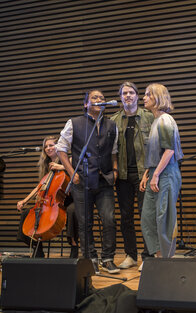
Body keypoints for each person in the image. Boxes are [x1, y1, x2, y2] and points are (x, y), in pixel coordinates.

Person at [57, 89, 120, 274]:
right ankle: (90, 259)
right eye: (95, 98)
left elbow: (114, 151)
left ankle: (108, 258)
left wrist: (115, 170)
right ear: (86, 104)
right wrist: (71, 172)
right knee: (85, 223)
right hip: (82, 180)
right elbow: (61, 149)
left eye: (102, 98)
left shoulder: (111, 125)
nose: (100, 100)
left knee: (109, 220)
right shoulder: (74, 123)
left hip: (105, 180)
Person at [110, 82, 154, 269]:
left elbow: (155, 147)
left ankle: (148, 256)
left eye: (131, 92)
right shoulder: (113, 121)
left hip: (144, 173)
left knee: (146, 216)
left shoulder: (149, 117)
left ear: (137, 95)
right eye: (124, 93)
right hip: (122, 175)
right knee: (126, 217)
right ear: (120, 97)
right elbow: (111, 150)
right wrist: (113, 169)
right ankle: (131, 255)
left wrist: (151, 172)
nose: (128, 96)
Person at [139, 83, 183, 265]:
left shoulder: (166, 120)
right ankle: (159, 258)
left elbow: (169, 151)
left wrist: (155, 174)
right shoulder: (155, 121)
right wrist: (148, 173)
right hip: (155, 173)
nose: (144, 98)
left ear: (158, 98)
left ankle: (166, 261)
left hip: (166, 174)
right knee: (148, 219)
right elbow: (155, 153)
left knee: (164, 218)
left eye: (148, 94)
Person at [16, 135, 79, 258]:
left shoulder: (68, 159)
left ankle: (74, 246)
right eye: (46, 146)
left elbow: (77, 172)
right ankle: (37, 248)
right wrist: (24, 201)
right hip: (53, 201)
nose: (48, 148)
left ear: (58, 146)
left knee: (72, 211)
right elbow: (39, 186)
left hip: (71, 199)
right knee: (26, 214)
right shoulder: (46, 165)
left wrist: (62, 166)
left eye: (51, 145)